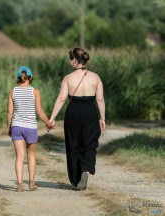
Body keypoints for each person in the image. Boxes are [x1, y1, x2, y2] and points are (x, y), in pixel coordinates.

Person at [50, 48, 105, 190]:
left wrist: (52, 117)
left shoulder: (68, 78)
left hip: (74, 112)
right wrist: (102, 118)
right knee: (90, 142)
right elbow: (100, 99)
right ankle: (85, 170)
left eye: (70, 59)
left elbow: (62, 98)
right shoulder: (96, 77)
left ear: (75, 60)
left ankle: (76, 178)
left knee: (73, 143)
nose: (70, 62)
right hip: (90, 112)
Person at [7, 66, 53, 192]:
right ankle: (31, 184)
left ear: (19, 77)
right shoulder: (35, 92)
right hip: (30, 127)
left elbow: (9, 112)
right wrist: (48, 123)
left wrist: (9, 127)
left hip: (16, 126)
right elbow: (39, 112)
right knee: (31, 154)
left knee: (19, 156)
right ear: (31, 77)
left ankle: (20, 185)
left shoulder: (13, 92)